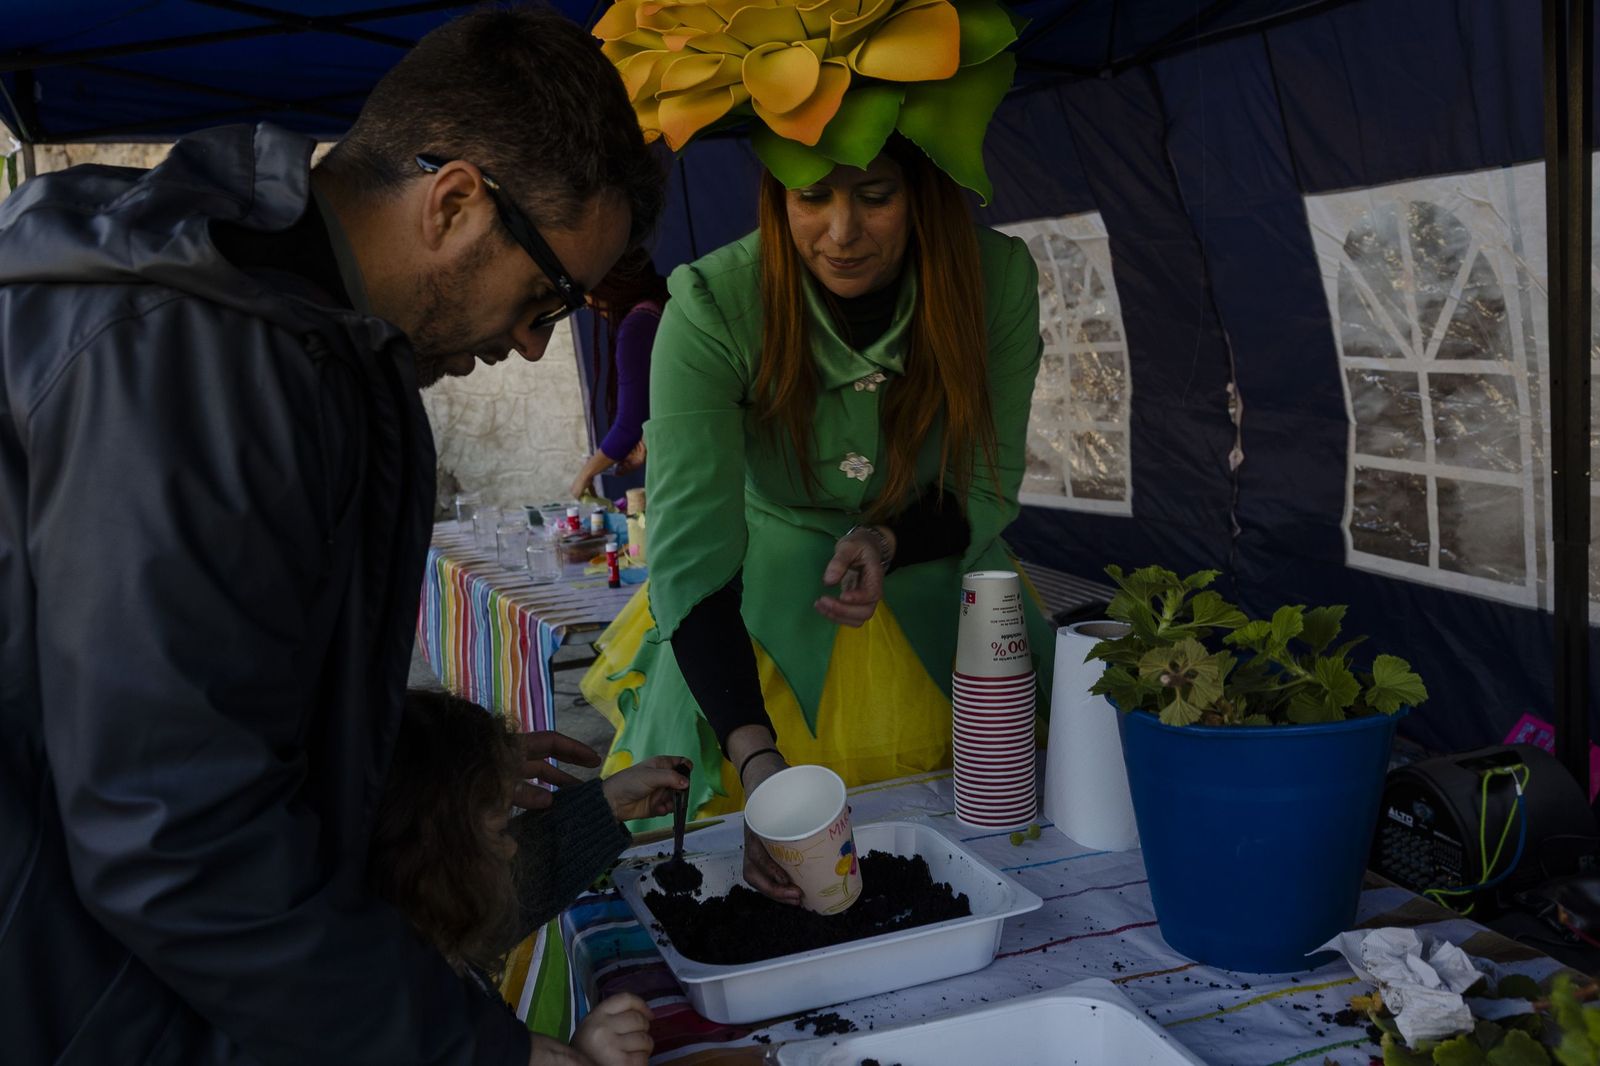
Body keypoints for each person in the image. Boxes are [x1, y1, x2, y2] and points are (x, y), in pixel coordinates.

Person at [0, 6, 662, 1065]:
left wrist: (428, 760)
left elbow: (201, 680)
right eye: (546, 295)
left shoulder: (306, 345)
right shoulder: (187, 357)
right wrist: (484, 1053)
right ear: (453, 202)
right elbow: (175, 830)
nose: (538, 344)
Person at [582, 0, 1054, 902]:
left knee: (994, 862)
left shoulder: (996, 282)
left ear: (923, 192)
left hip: (941, 598)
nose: (842, 234)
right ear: (775, 197)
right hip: (750, 627)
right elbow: (691, 556)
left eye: (875, 196)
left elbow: (987, 482)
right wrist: (758, 763)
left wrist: (887, 541)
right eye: (811, 199)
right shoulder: (712, 308)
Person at [370, 690, 690, 1066]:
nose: (511, 850)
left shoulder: (403, 929)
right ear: (427, 866)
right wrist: (584, 1056)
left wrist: (607, 805)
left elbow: (504, 894)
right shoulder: (411, 1023)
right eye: (499, 830)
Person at [568, 248, 670, 500]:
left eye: (590, 291)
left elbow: (629, 424)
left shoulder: (637, 325)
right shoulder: (661, 309)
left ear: (610, 286)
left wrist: (585, 474)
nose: (588, 302)